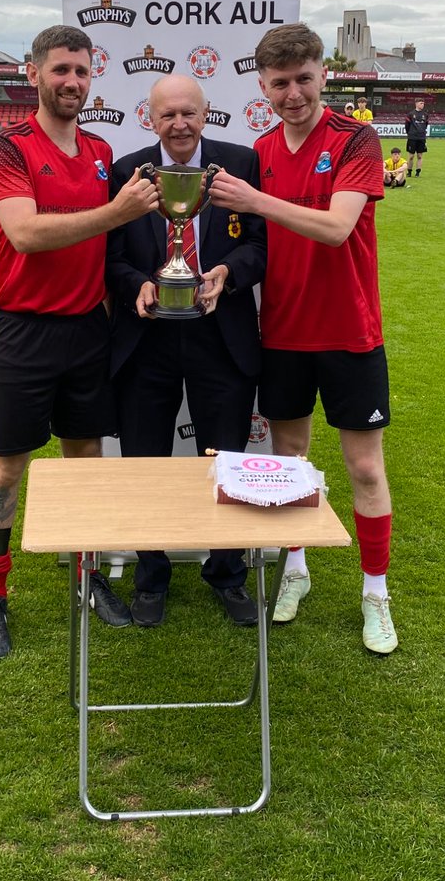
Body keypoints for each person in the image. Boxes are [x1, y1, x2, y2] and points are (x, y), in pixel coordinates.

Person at [210, 23, 398, 655]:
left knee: (364, 467)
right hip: (284, 333)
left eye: (303, 79)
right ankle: (295, 571)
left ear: (324, 74)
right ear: (262, 86)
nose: (293, 93)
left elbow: (338, 228)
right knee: (289, 465)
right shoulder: (259, 150)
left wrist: (256, 201)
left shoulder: (356, 138)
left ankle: (376, 592)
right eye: (280, 83)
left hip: (349, 332)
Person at [0, 25, 158, 658]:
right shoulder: (8, 148)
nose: (72, 82)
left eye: (81, 71)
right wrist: (119, 213)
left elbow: (105, 247)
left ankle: (86, 576)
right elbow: (25, 235)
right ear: (33, 75)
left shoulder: (102, 150)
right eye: (60, 71)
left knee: (85, 459)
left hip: (88, 330)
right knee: (6, 467)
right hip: (23, 330)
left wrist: (133, 282)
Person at [106, 74, 267, 628]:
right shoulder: (128, 170)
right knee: (144, 463)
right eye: (167, 115)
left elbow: (259, 245)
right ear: (150, 118)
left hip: (221, 335)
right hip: (145, 337)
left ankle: (227, 573)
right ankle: (151, 577)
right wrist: (136, 286)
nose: (179, 124)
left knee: (226, 459)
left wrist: (227, 272)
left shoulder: (240, 163)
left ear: (207, 114)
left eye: (188, 114)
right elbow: (111, 254)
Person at [405, 98, 429, 177]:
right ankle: (409, 171)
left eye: (423, 103)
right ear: (416, 104)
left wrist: (421, 132)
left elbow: (426, 125)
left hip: (421, 138)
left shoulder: (425, 114)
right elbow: (407, 126)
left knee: (420, 156)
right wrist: (410, 133)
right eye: (421, 103)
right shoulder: (410, 114)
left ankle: (418, 172)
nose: (422, 105)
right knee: (411, 156)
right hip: (412, 137)